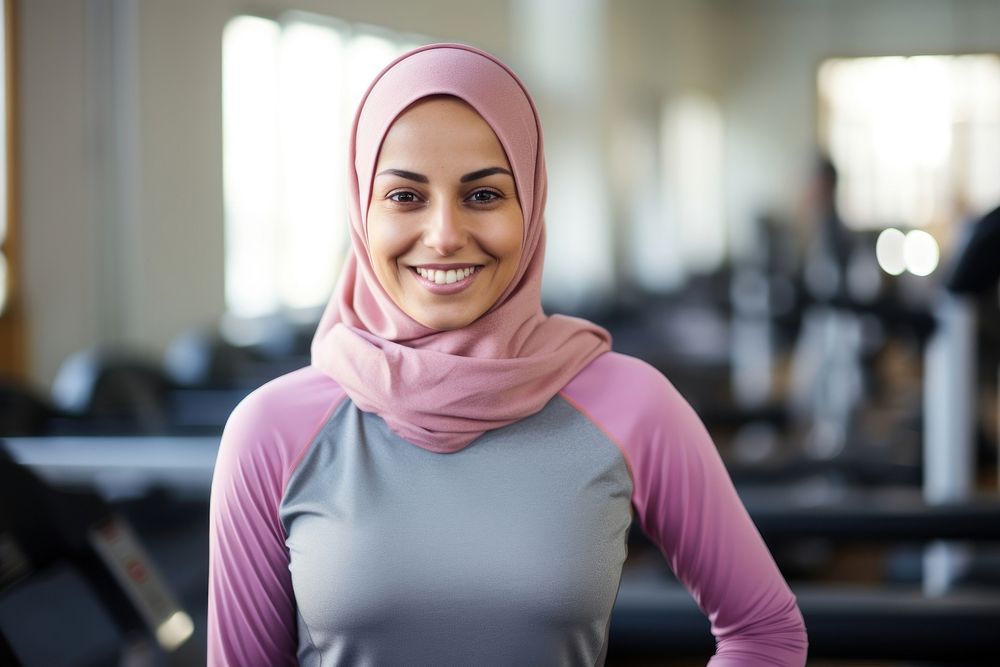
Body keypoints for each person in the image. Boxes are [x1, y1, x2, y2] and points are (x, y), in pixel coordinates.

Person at [207, 43, 808, 666]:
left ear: (531, 202)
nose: (443, 235)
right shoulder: (270, 430)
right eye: (405, 197)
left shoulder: (632, 404)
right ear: (361, 210)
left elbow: (764, 632)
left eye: (485, 195)